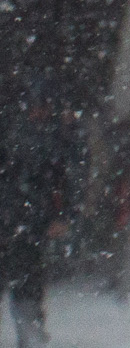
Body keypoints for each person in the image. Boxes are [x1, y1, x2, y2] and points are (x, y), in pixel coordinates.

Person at [0, 103, 68, 348]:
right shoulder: (47, 138)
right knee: (27, 285)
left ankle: (31, 336)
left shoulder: (35, 137)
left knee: (26, 283)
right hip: (26, 221)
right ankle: (31, 336)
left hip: (23, 221)